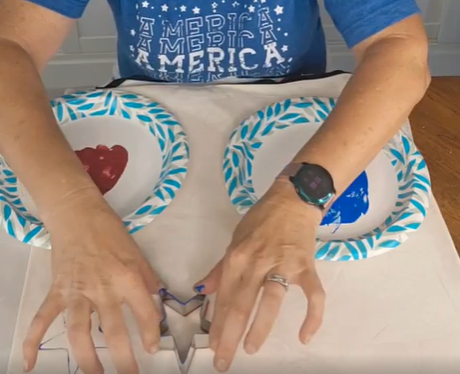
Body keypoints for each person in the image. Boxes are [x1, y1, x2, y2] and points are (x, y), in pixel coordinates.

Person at [0, 0, 429, 373]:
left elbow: (400, 50)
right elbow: (9, 47)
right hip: (149, 118)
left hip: (292, 128)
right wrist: (71, 206)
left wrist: (300, 197)